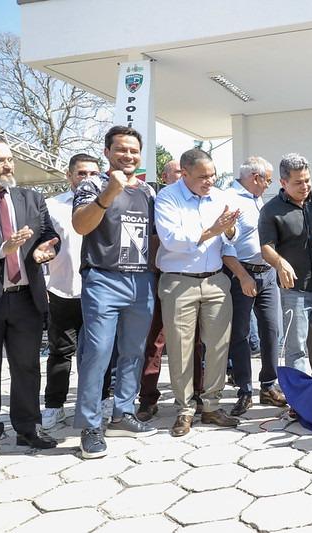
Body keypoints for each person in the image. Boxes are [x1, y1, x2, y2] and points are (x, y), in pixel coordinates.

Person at [72, 125, 158, 459]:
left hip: (140, 281)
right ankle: (91, 426)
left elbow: (155, 237)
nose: (128, 155)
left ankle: (122, 412)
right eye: (121, 149)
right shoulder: (92, 184)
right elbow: (81, 225)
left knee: (134, 351)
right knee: (97, 352)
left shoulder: (149, 192)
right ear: (107, 152)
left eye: (133, 150)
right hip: (103, 279)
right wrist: (108, 193)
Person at [154, 148, 241, 437]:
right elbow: (171, 240)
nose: (210, 180)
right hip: (179, 282)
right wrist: (212, 230)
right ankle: (184, 409)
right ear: (185, 173)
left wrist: (228, 230)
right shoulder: (168, 198)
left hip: (216, 280)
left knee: (218, 346)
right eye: (203, 176)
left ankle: (212, 406)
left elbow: (230, 239)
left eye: (213, 174)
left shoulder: (220, 197)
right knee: (180, 348)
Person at [0, 131, 60, 463]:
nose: (7, 165)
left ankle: (29, 427)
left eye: (9, 159)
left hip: (26, 298)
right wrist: (5, 247)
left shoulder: (31, 198)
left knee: (27, 367)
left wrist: (46, 247)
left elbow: (48, 233)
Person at [259, 153, 312, 411]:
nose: (305, 186)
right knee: (297, 348)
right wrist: (279, 262)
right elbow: (266, 247)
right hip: (293, 290)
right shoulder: (271, 210)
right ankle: (301, 401)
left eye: (307, 180)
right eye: (298, 182)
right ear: (283, 183)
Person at [41, 154, 114, 429]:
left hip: (100, 290)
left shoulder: (108, 202)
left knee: (101, 350)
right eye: (81, 173)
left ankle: (102, 399)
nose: (87, 179)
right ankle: (54, 405)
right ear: (70, 176)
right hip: (63, 289)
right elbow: (42, 246)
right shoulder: (51, 206)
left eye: (93, 173)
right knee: (60, 352)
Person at [136, 158, 206, 422]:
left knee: (195, 340)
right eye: (177, 173)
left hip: (192, 277)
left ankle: (196, 393)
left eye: (185, 173)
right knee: (155, 339)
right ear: (165, 177)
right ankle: (148, 397)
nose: (181, 177)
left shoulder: (198, 200)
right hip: (158, 276)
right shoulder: (156, 200)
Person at [223, 156, 287, 416]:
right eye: (268, 180)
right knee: (240, 335)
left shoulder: (260, 200)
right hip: (242, 273)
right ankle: (244, 390)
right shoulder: (228, 198)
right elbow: (226, 243)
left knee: (272, 331)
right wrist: (242, 276)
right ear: (255, 177)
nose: (269, 185)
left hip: (268, 274)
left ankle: (268, 386)